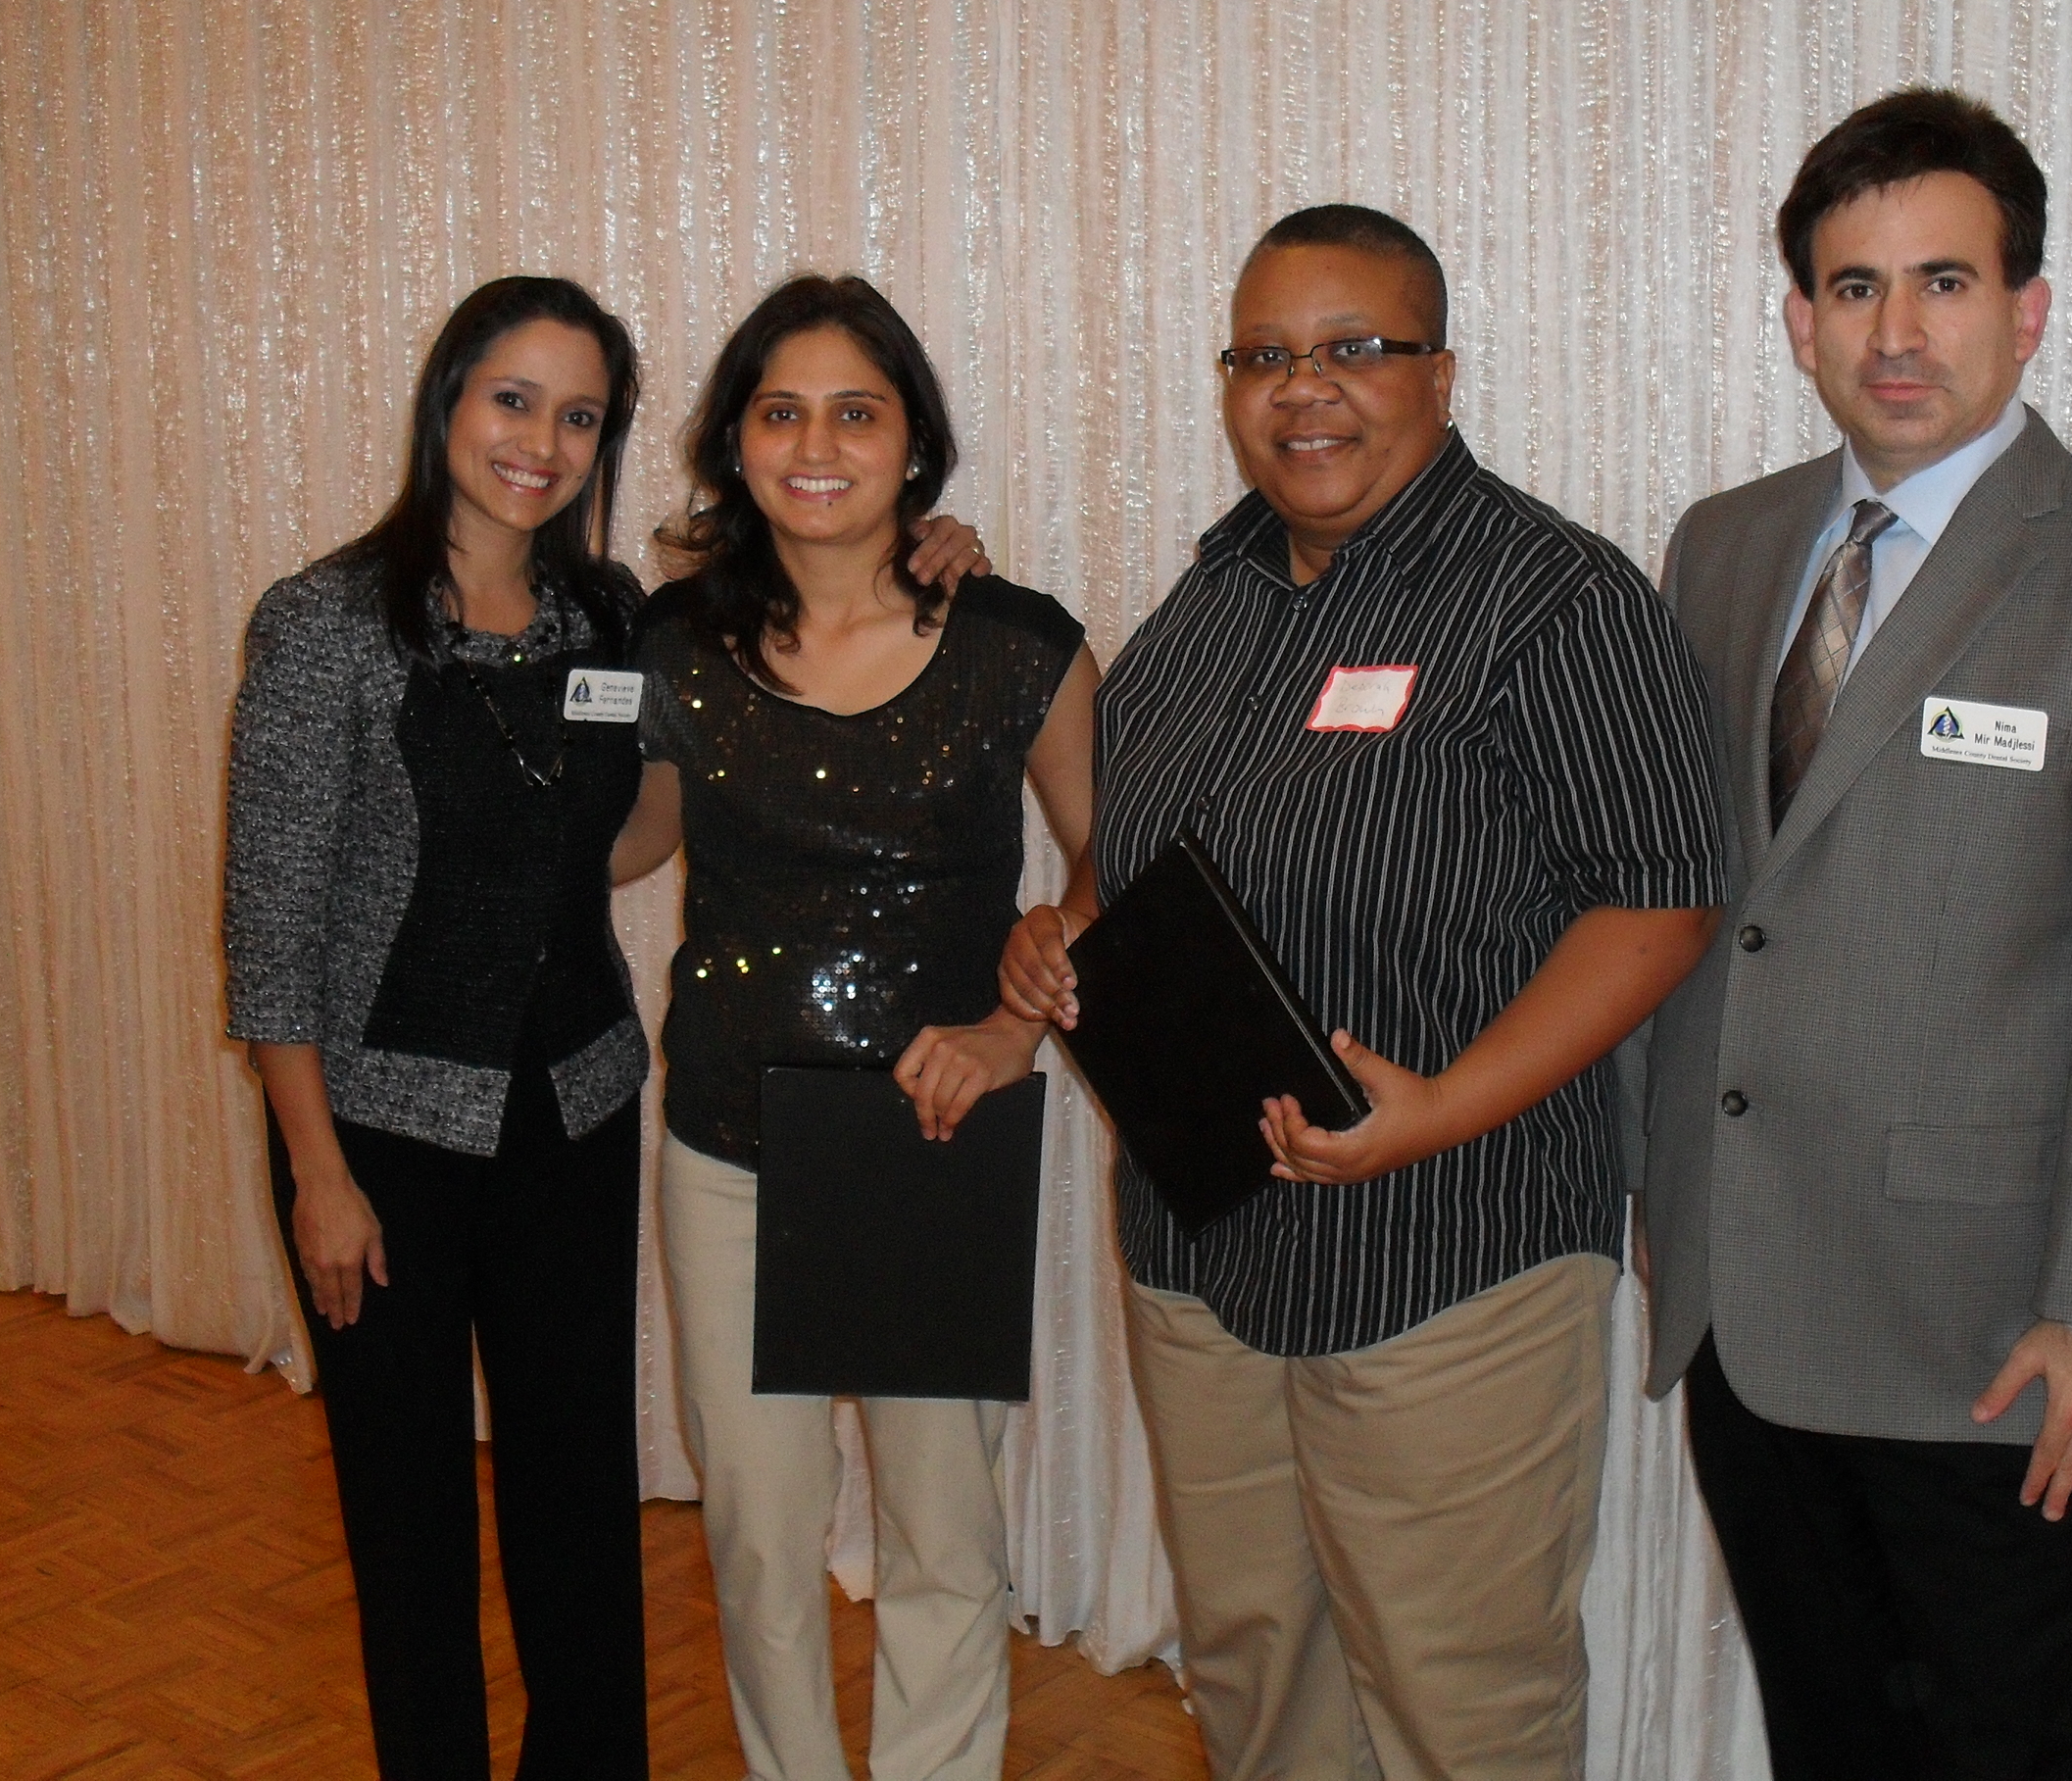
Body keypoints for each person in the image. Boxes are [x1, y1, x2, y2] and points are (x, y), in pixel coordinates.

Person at [224, 276, 989, 1780]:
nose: (543, 443)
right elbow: (271, 934)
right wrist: (317, 1171)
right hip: (379, 1139)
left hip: (572, 1110)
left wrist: (914, 546)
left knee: (579, 1492)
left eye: (580, 417)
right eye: (514, 400)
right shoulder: (328, 625)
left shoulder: (609, 617)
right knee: (408, 1509)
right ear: (448, 401)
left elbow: (633, 829)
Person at [1001, 206, 1726, 1780]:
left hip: (1447, 1252)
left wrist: (1441, 1109)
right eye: (1263, 356)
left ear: (1441, 375)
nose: (1302, 388)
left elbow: (1663, 902)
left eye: (1353, 349)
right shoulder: (1207, 599)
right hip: (1205, 1248)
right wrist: (1063, 931)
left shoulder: (1554, 599)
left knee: (1459, 1703)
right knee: (1255, 1666)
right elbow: (1136, 850)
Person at [1637, 88, 2072, 1781]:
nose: (1898, 334)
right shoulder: (1725, 547)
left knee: (2001, 1749)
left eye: (1944, 281)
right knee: (1831, 1735)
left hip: (1996, 1342)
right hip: (1745, 1304)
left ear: (2029, 308)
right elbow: (1705, 900)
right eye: (1855, 288)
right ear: (1801, 322)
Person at [608, 273, 1100, 1781]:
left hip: (933, 1135)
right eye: (781, 412)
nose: (816, 446)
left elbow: (1112, 867)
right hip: (728, 1141)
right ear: (735, 441)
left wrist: (1014, 1026)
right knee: (759, 1537)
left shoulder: (1017, 642)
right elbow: (629, 841)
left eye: (856, 413)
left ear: (913, 445)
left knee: (943, 1536)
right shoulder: (673, 641)